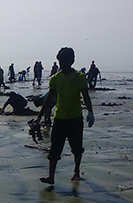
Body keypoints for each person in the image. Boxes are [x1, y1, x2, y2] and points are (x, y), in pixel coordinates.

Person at [36, 47, 94, 184]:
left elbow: (86, 96)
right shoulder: (55, 78)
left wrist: (90, 112)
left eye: (65, 61)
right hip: (59, 118)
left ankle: (76, 172)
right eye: (60, 61)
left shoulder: (80, 77)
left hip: (75, 118)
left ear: (72, 61)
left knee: (77, 148)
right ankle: (51, 177)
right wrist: (39, 117)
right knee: (54, 149)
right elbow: (49, 99)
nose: (62, 64)